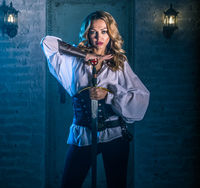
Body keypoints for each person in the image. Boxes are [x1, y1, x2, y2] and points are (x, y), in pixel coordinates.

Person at [41, 10, 150, 188]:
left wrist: (108, 95)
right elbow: (47, 42)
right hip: (83, 135)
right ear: (87, 33)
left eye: (104, 31)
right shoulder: (73, 62)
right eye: (93, 31)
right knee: (69, 184)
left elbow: (141, 98)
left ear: (110, 34)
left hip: (114, 134)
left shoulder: (119, 63)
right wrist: (85, 55)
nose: (98, 36)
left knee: (117, 185)